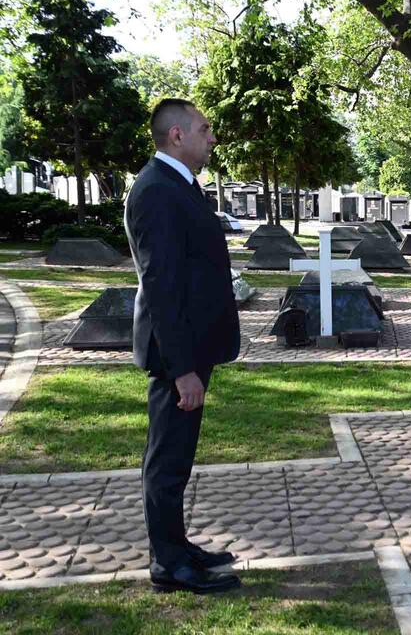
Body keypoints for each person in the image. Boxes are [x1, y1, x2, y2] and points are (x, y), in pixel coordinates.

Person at [125, 98, 242, 594]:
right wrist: (183, 369)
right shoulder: (156, 190)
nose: (211, 137)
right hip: (179, 355)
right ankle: (168, 564)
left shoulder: (179, 184)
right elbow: (161, 285)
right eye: (204, 128)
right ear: (177, 135)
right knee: (167, 461)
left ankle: (176, 546)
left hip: (193, 348)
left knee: (177, 457)